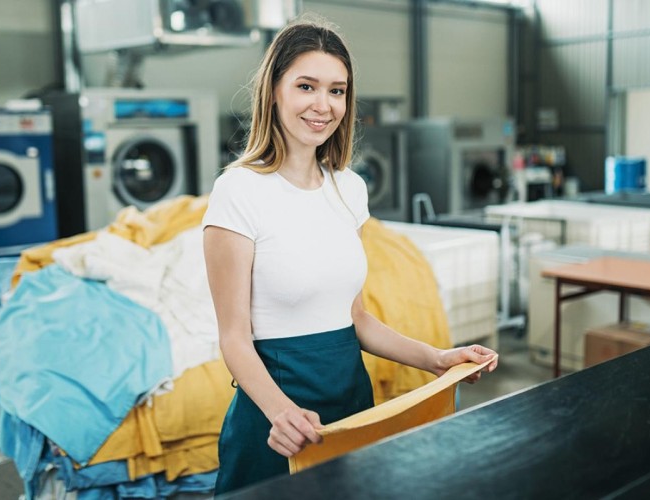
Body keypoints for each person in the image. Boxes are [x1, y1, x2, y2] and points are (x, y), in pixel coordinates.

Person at [202, 15, 499, 495]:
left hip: (352, 401)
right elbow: (234, 338)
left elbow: (356, 318)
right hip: (277, 419)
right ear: (274, 90)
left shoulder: (349, 189)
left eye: (337, 91)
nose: (323, 105)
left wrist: (438, 358)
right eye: (306, 86)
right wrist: (281, 412)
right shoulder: (238, 191)